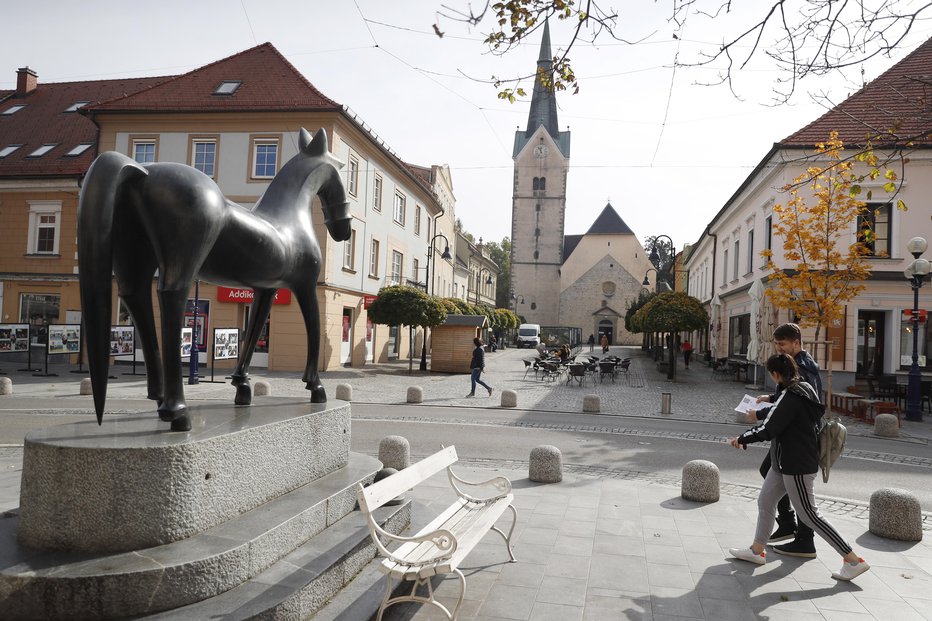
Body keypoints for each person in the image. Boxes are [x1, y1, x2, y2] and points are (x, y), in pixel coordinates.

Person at [727, 353, 869, 581]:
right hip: (783, 463)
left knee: (810, 515)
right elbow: (779, 414)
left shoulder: (791, 396)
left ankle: (852, 560)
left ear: (775, 375)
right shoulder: (801, 388)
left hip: (797, 465)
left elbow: (769, 428)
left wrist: (742, 438)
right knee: (765, 501)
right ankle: (756, 551)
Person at [750, 323, 822, 558]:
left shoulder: (802, 367)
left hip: (799, 436)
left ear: (796, 342)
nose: (779, 349)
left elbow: (797, 400)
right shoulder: (801, 362)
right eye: (777, 344)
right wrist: (771, 396)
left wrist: (760, 414)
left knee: (794, 484)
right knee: (773, 472)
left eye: (782, 344)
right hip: (793, 433)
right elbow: (791, 394)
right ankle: (790, 525)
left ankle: (804, 538)